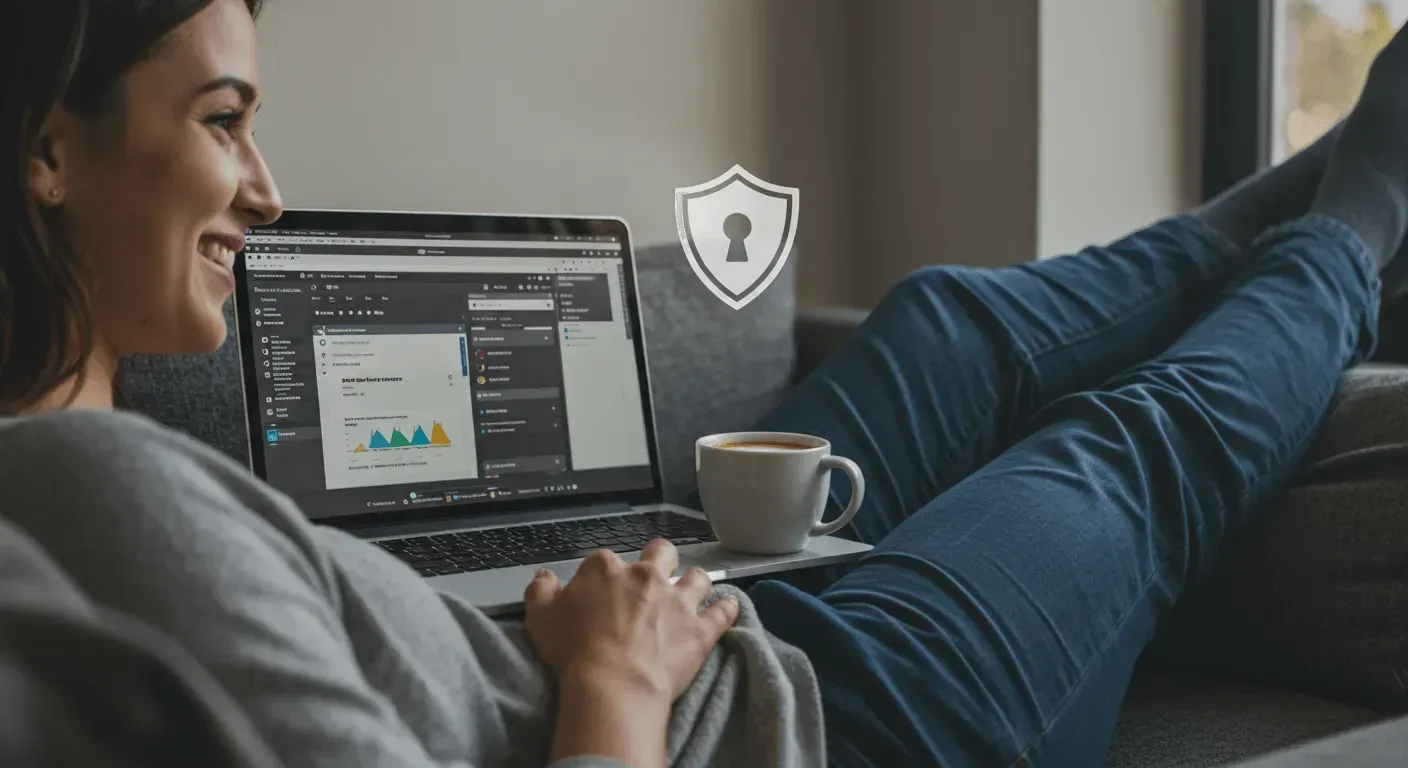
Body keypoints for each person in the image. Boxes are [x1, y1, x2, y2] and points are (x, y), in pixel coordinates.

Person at [0, 1, 1404, 766]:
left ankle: (1308, 205)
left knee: (945, 326)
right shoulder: (79, 488)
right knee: (1130, 445)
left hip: (675, 632)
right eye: (223, 121)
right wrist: (615, 677)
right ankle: (1363, 214)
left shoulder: (94, 465)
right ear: (47, 150)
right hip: (827, 718)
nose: (267, 189)